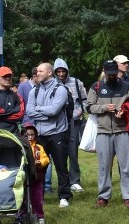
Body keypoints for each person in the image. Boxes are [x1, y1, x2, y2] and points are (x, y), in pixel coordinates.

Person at [87, 60, 129, 208]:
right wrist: (104, 108)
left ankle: (128, 197)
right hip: (103, 132)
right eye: (109, 74)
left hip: (123, 131)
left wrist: (125, 110)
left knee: (127, 165)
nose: (112, 76)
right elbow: (89, 107)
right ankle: (103, 196)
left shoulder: (128, 87)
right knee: (104, 166)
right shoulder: (96, 87)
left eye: (114, 73)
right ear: (104, 71)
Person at [26, 62, 72, 208]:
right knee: (38, 166)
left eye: (40, 71)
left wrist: (39, 110)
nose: (37, 73)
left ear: (49, 73)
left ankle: (64, 196)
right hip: (40, 134)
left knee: (61, 166)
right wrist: (45, 113)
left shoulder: (61, 89)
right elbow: (29, 111)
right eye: (37, 71)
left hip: (58, 133)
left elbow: (54, 111)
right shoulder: (34, 90)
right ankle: (38, 197)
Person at [54, 58, 89, 193]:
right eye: (58, 72)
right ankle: (63, 182)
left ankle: (75, 180)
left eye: (63, 71)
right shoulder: (52, 84)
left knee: (73, 152)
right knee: (59, 153)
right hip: (58, 123)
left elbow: (85, 101)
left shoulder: (76, 82)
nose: (61, 74)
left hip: (75, 121)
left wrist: (80, 111)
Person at [23, 123, 49, 224]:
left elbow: (46, 159)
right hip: (24, 177)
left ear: (35, 135)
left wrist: (40, 162)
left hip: (37, 176)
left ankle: (39, 215)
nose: (29, 137)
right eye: (27, 135)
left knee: (37, 197)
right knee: (23, 197)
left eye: (32, 135)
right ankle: (23, 215)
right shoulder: (21, 147)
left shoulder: (39, 147)